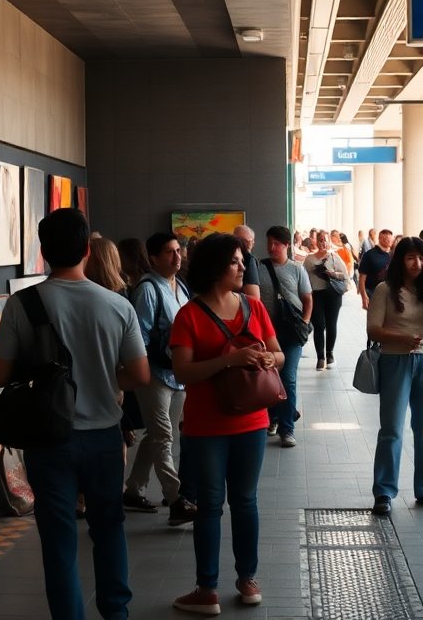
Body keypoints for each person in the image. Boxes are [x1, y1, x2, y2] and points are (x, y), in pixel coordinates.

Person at [0, 208, 151, 620]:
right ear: (87, 250)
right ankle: (116, 613)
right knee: (109, 529)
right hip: (103, 437)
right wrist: (102, 374)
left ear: (43, 252)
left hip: (48, 440)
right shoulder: (117, 305)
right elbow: (139, 374)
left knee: (58, 540)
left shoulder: (22, 305)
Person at [168, 232, 283, 615]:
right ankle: (208, 588)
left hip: (251, 420)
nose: (242, 266)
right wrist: (227, 362)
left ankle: (246, 579)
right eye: (235, 261)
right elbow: (182, 370)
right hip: (205, 426)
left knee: (244, 501)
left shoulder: (254, 307)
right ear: (217, 267)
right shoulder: (189, 314)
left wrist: (269, 360)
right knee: (211, 505)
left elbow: (279, 354)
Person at [366, 236, 423, 516]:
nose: (416, 263)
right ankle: (384, 491)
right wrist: (400, 338)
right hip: (394, 360)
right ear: (400, 260)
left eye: (422, 258)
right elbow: (373, 330)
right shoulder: (384, 290)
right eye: (410, 257)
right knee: (391, 429)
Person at [125, 231, 198, 526]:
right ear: (153, 258)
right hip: (154, 373)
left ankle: (133, 489)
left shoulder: (180, 286)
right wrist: (139, 372)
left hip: (177, 373)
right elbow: (138, 336)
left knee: (159, 435)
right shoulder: (148, 289)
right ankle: (176, 497)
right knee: (164, 436)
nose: (177, 256)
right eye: (169, 252)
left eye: (178, 250)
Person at [258, 226, 312, 447]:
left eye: (277, 243)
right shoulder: (260, 268)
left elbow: (307, 298)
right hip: (267, 332)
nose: (272, 247)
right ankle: (274, 418)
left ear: (287, 245)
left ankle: (287, 429)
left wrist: (305, 323)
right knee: (269, 377)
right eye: (269, 242)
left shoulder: (297, 269)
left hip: (290, 333)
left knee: (288, 377)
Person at [304, 236, 346, 370]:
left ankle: (330, 354)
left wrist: (332, 274)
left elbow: (344, 275)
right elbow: (304, 277)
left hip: (333, 294)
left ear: (328, 242)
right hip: (316, 294)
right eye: (320, 240)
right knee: (319, 325)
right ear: (316, 242)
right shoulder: (309, 259)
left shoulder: (334, 257)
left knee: (331, 324)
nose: (323, 243)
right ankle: (320, 357)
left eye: (325, 240)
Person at [357, 229, 394, 311]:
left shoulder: (393, 255)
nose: (389, 241)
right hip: (373, 293)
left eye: (390, 239)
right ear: (380, 239)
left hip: (390, 294)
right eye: (386, 239)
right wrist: (364, 296)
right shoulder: (369, 255)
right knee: (374, 320)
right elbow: (362, 278)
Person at [231, 224, 262, 299]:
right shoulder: (249, 259)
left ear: (253, 242)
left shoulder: (249, 260)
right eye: (241, 241)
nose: (245, 244)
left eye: (248, 241)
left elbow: (254, 298)